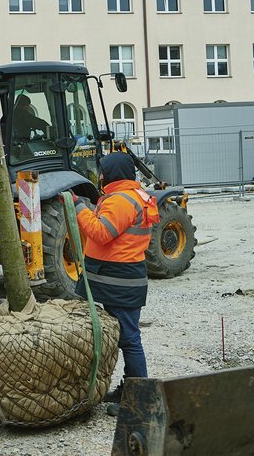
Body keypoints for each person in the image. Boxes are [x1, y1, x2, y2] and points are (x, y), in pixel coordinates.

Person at [72, 151, 159, 413]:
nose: (99, 176)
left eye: (102, 171)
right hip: (122, 280)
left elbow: (101, 233)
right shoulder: (131, 196)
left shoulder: (121, 200)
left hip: (119, 282)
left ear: (111, 173)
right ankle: (130, 391)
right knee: (126, 338)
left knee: (130, 340)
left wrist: (79, 207)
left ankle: (138, 401)